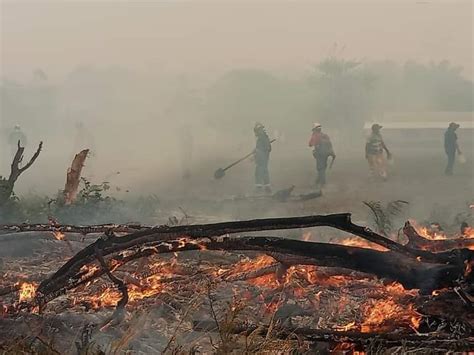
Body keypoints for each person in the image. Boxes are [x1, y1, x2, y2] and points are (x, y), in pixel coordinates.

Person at [254, 122, 272, 193]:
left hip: (262, 158)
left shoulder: (262, 138)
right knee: (264, 171)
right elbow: (267, 148)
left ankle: (259, 187)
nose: (255, 133)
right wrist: (256, 151)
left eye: (256, 130)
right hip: (263, 158)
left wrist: (257, 153)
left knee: (259, 171)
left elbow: (267, 148)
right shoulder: (264, 137)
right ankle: (267, 187)